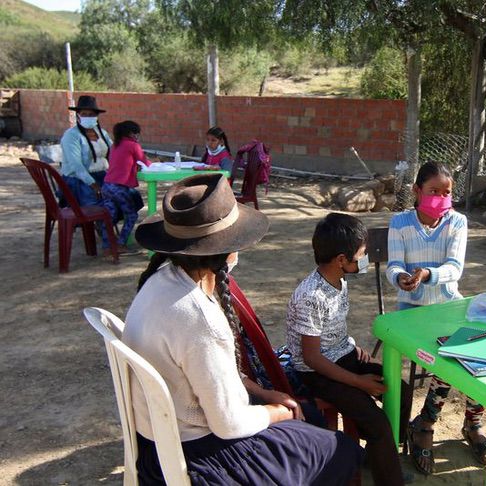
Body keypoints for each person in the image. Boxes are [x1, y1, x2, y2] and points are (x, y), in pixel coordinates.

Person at [124, 173, 363, 485]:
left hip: (160, 442)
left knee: (312, 422)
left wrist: (262, 392)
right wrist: (277, 411)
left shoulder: (159, 281)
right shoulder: (200, 318)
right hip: (203, 454)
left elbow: (204, 374)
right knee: (340, 451)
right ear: (226, 250)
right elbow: (229, 425)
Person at [285, 213, 413, 486]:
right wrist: (358, 382)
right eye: (361, 254)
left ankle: (377, 453)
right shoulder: (311, 295)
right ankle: (389, 475)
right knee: (378, 423)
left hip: (342, 355)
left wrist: (353, 349)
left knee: (402, 392)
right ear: (341, 260)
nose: (365, 258)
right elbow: (312, 357)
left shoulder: (339, 280)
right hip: (317, 372)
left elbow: (333, 328)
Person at [386, 161, 486, 475]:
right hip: (412, 311)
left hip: (448, 306)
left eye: (447, 193)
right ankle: (425, 425)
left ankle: (471, 422)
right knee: (449, 354)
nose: (441, 199)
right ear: (417, 191)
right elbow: (393, 265)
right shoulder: (400, 222)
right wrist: (402, 277)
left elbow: (454, 269)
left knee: (478, 350)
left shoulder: (457, 222)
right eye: (434, 191)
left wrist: (428, 274)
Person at [101, 120, 150, 254]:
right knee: (131, 215)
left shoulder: (114, 145)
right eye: (136, 133)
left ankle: (106, 246)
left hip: (107, 186)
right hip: (120, 188)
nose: (137, 136)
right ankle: (121, 243)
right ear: (131, 133)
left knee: (109, 217)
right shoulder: (133, 145)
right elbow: (144, 162)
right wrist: (153, 162)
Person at [60, 95, 112, 206]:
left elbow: (114, 152)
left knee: (128, 195)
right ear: (78, 116)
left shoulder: (102, 133)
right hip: (79, 180)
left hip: (102, 175)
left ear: (97, 116)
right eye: (84, 114)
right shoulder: (71, 136)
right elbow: (76, 166)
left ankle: (109, 222)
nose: (88, 117)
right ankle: (97, 222)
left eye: (92, 114)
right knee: (97, 201)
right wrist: (93, 184)